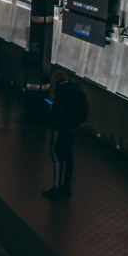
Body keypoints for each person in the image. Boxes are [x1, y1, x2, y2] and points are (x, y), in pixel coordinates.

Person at [43, 69, 88, 198]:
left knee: (56, 156)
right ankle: (66, 187)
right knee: (68, 157)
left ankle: (56, 187)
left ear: (56, 82)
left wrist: (51, 123)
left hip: (60, 129)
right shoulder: (76, 90)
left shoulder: (62, 93)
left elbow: (58, 113)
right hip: (71, 130)